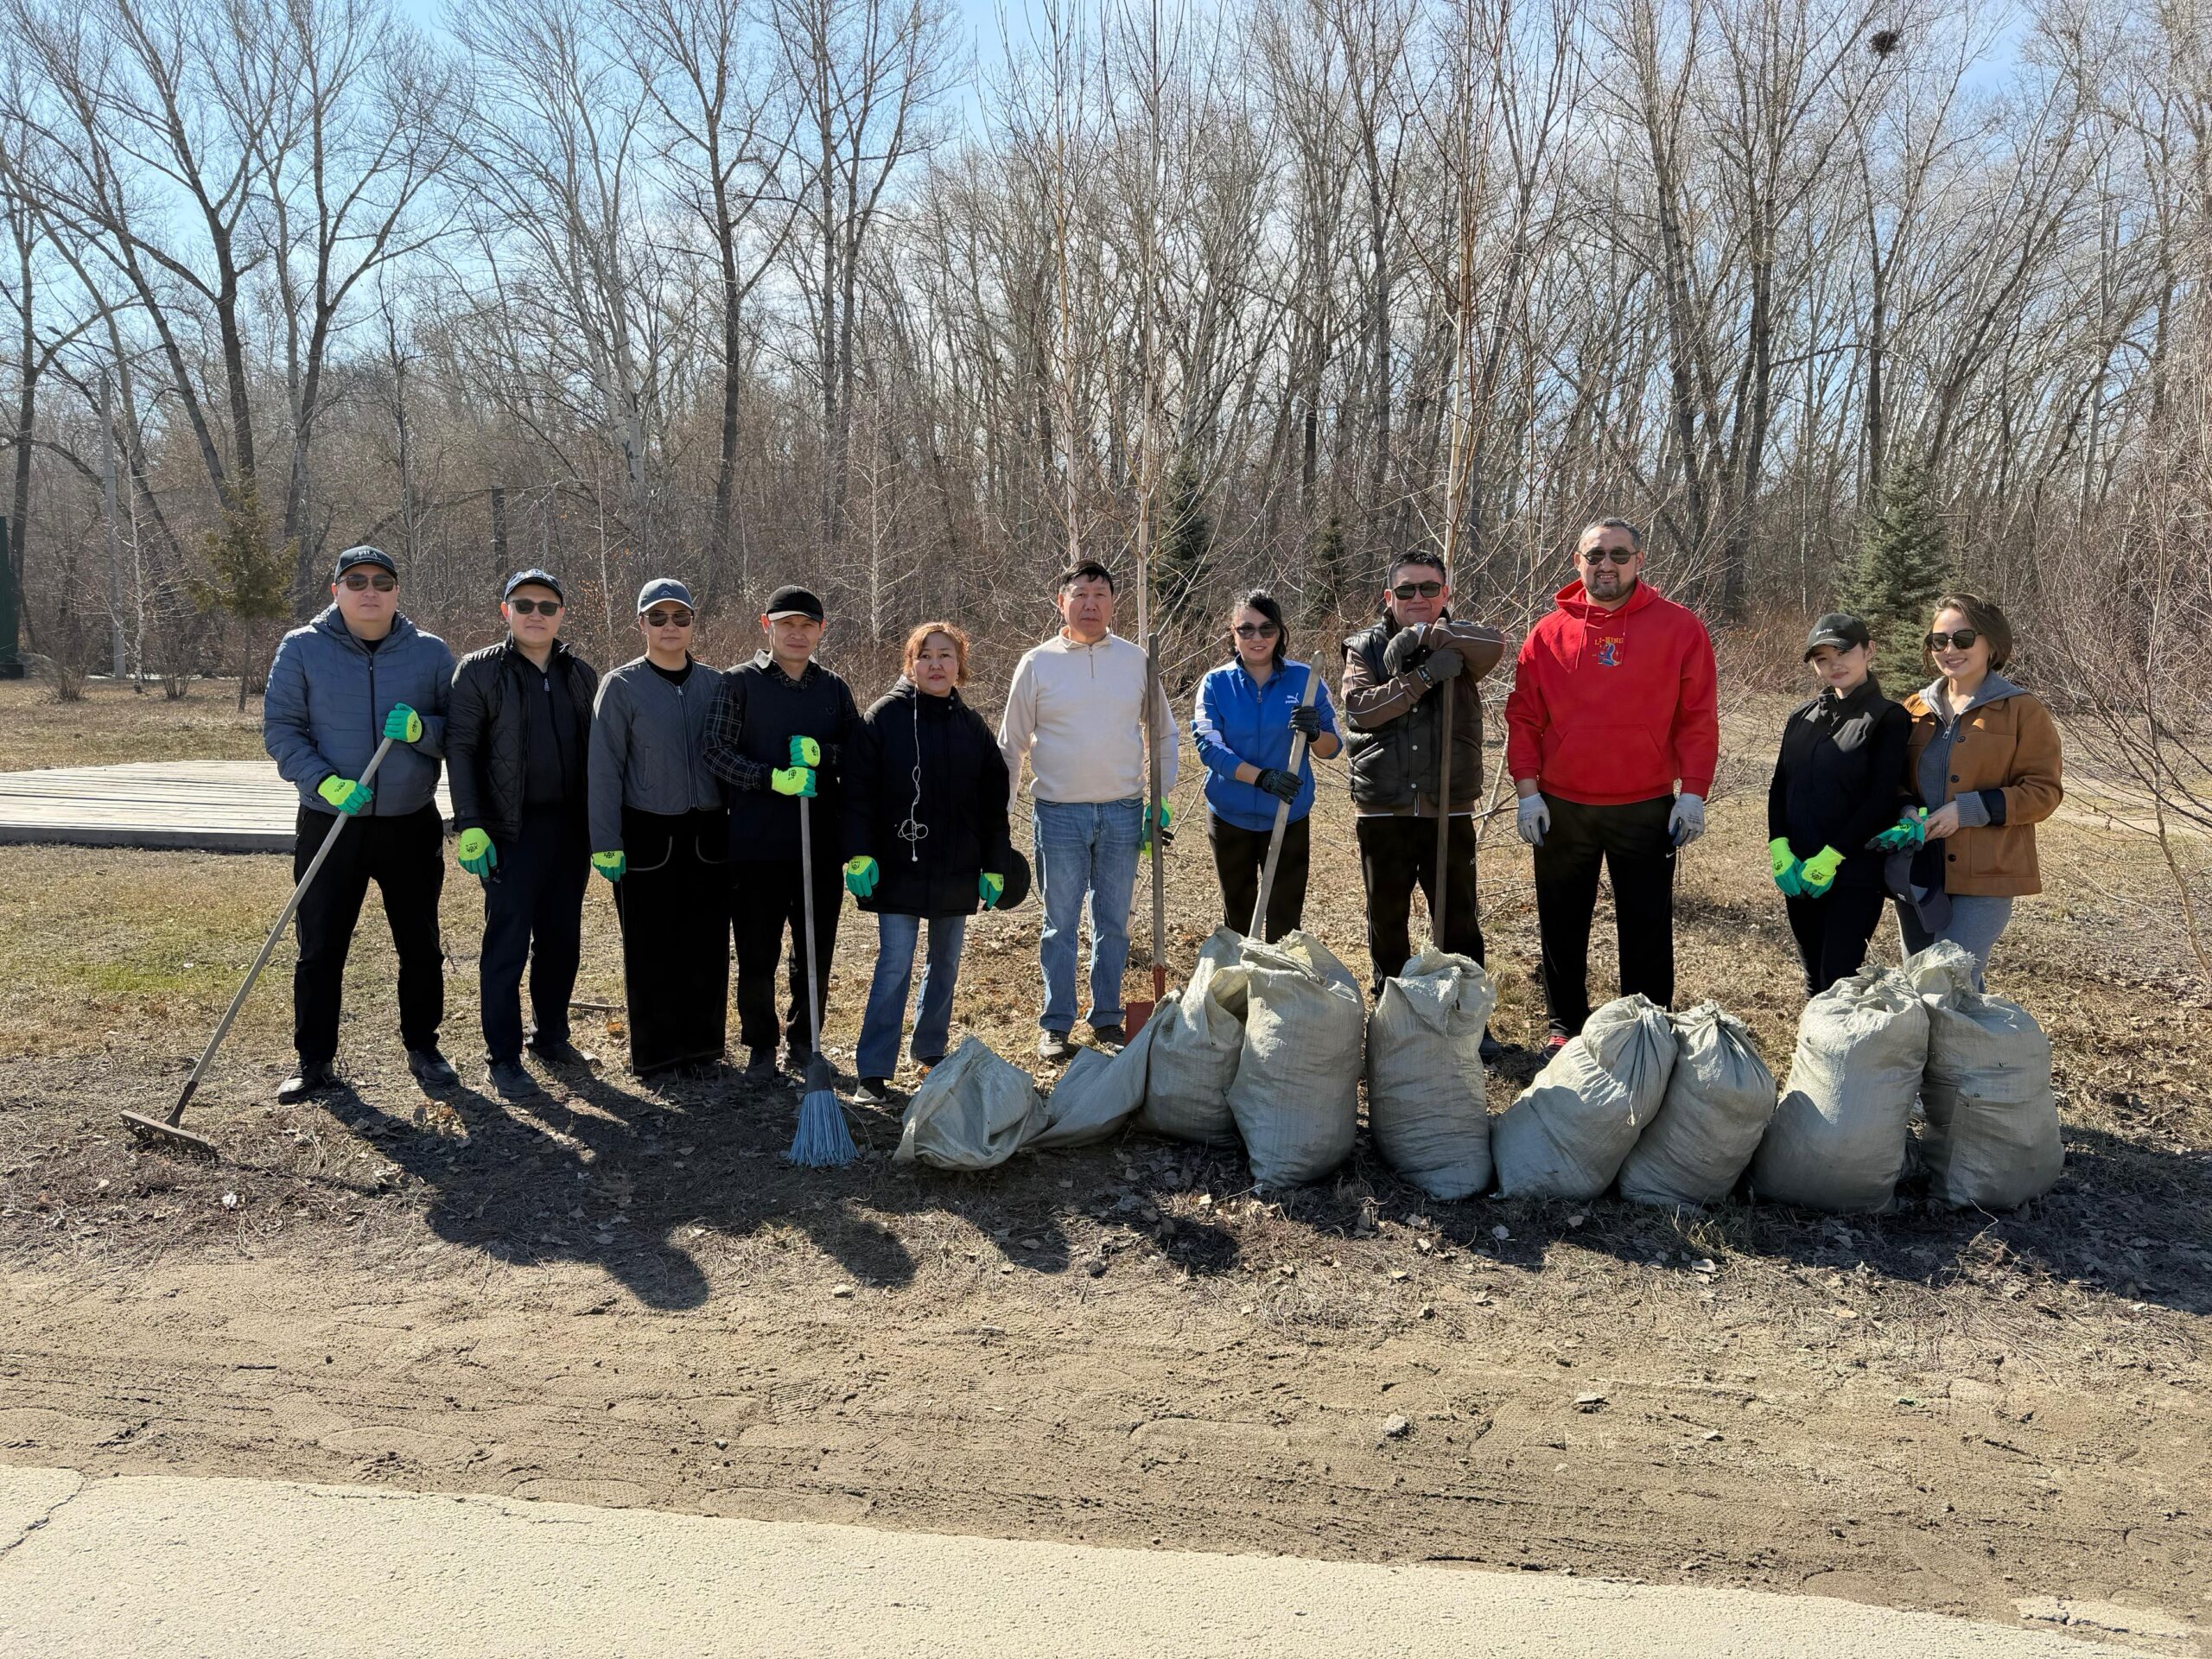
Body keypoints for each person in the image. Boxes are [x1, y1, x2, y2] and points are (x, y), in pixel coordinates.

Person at [1505, 517, 1719, 1051]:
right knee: (1561, 919)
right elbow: (1524, 719)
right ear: (1578, 562)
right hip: (1562, 803)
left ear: (1639, 561)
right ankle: (1565, 1025)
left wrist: (1693, 790)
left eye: (1619, 555)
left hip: (1645, 803)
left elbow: (1697, 717)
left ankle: (1645, 1025)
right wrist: (1527, 790)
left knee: (1646, 923)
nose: (1607, 565)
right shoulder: (1548, 633)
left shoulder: (1679, 628)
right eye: (1596, 555)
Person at [262, 544, 457, 1101]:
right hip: (331, 821)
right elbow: (282, 729)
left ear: (397, 591)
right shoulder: (301, 649)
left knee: (419, 942)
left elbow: (461, 732)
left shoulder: (430, 654)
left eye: (381, 580)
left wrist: (423, 730)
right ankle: (314, 1059)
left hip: (408, 821)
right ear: (336, 591)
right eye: (355, 580)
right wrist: (324, 781)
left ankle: (424, 1045)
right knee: (320, 945)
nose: (369, 590)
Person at [998, 560, 1179, 1064]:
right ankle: (1056, 1022)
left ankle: (1106, 1017)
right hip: (1058, 813)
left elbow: (1163, 732)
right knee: (1059, 921)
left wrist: (1160, 800)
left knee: (1114, 922)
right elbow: (1011, 744)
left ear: (1114, 603)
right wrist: (1000, 816)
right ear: (1062, 602)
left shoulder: (1136, 660)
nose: (1091, 603)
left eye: (1100, 593)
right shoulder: (1037, 663)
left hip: (1123, 811)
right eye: (1080, 593)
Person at [842, 622, 1014, 1102]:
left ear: (960, 665)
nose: (936, 664)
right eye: (926, 656)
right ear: (910, 664)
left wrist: (994, 864)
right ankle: (874, 1069)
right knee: (894, 963)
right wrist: (857, 853)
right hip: (897, 865)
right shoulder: (883, 719)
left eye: (946, 655)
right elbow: (855, 794)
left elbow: (991, 804)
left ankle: (930, 1048)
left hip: (957, 867)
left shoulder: (972, 727)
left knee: (946, 963)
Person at [446, 569, 600, 1101]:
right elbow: (460, 748)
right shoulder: (479, 672)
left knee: (561, 939)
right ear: (505, 611)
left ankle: (551, 1034)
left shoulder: (581, 673)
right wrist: (470, 824)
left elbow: (598, 756)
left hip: (570, 830)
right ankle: (504, 1056)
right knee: (508, 942)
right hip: (508, 831)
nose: (536, 614)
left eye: (547, 606)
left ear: (561, 615)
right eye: (525, 604)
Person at [703, 584, 861, 1081]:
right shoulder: (738, 684)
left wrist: (824, 755)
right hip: (755, 845)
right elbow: (714, 749)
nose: (797, 634)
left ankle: (804, 1042)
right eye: (786, 624)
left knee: (814, 951)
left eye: (807, 625)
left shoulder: (833, 689)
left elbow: (859, 753)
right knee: (757, 951)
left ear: (820, 631)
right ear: (766, 626)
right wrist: (770, 777)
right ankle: (760, 1046)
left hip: (819, 843)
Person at [1340, 554, 1504, 1027]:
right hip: (1384, 808)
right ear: (1388, 597)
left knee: (1457, 920)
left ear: (1445, 595)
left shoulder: (1465, 640)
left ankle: (1466, 1018)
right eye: (1407, 590)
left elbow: (1496, 644)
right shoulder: (1364, 648)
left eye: (1430, 589)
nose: (1419, 598)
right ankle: (1393, 1018)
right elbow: (1361, 709)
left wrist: (1426, 637)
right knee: (1387, 919)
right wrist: (1425, 676)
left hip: (1446, 807)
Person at [1877, 592, 2063, 989]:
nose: (1949, 650)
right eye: (1938, 641)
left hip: (1987, 873)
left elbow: (2044, 791)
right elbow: (1892, 782)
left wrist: (1968, 811)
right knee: (1919, 981)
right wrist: (1906, 810)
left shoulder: (2021, 710)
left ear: (1991, 643)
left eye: (1963, 639)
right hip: (1919, 869)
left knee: (1950, 982)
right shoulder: (1914, 708)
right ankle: (1952, 1054)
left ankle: (1971, 1051)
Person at [587, 579, 729, 1077]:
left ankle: (705, 1049)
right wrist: (604, 841)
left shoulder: (716, 684)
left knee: (707, 946)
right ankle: (659, 1053)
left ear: (693, 623)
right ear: (641, 623)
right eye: (659, 617)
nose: (671, 627)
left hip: (709, 834)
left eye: (681, 617)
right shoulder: (621, 685)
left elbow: (732, 757)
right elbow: (603, 768)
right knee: (651, 949)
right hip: (646, 834)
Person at [1766, 613, 1910, 995]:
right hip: (1798, 870)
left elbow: (1880, 799)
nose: (1834, 665)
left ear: (1869, 651)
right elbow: (1780, 785)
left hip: (1852, 873)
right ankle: (1814, 1051)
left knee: (1838, 977)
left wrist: (1832, 856)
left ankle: (1840, 1053)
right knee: (1813, 974)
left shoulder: (1888, 718)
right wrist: (1779, 846)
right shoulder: (1802, 716)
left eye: (1843, 652)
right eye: (1822, 658)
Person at [1192, 591, 1343, 942]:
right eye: (1246, 630)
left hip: (1288, 814)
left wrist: (1314, 731)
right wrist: (1262, 778)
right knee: (1239, 916)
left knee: (1286, 921)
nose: (1257, 638)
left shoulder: (1307, 681)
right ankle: (1241, 988)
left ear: (1280, 632)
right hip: (1230, 817)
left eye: (1267, 629)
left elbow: (1332, 748)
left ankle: (1279, 991)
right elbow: (1209, 748)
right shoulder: (1215, 684)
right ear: (1233, 633)